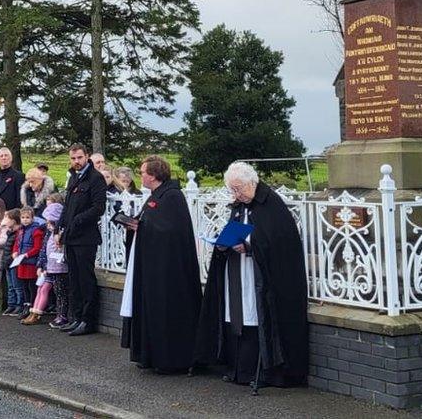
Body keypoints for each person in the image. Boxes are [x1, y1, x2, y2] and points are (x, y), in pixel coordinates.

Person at [194, 161, 309, 388]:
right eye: (232, 189)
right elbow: (234, 229)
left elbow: (279, 240)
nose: (236, 194)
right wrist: (223, 243)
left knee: (256, 317)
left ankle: (263, 371)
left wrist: (249, 246)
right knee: (236, 316)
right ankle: (237, 368)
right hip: (238, 272)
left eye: (239, 188)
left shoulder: (271, 204)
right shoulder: (239, 206)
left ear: (252, 182)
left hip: (260, 277)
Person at [120, 155, 201, 374]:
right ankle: (149, 355)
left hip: (168, 270)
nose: (141, 176)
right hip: (150, 265)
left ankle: (170, 360)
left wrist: (143, 227)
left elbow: (171, 230)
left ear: (154, 175)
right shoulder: (155, 195)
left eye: (143, 172)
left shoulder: (172, 196)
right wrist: (133, 223)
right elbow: (149, 220)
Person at [59, 143, 107, 336]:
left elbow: (98, 207)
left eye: (79, 158)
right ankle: (76, 317)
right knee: (74, 279)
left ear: (87, 156)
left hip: (85, 237)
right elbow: (68, 205)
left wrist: (78, 220)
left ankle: (88, 320)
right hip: (71, 236)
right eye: (73, 158)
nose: (76, 162)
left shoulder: (95, 179)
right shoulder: (74, 177)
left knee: (86, 279)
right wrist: (60, 226)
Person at [21, 202, 68, 327]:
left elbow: (60, 251)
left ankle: (59, 315)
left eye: (50, 222)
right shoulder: (48, 233)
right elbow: (43, 250)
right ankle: (34, 312)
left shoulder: (61, 233)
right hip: (48, 267)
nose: (48, 224)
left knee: (57, 292)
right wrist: (41, 265)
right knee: (40, 288)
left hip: (58, 267)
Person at [11, 206, 45, 319]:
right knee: (24, 285)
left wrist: (27, 254)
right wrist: (15, 252)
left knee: (31, 286)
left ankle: (32, 306)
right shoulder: (20, 231)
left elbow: (37, 247)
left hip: (30, 262)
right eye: (23, 217)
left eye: (27, 217)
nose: (25, 220)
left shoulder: (36, 230)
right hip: (21, 262)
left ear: (32, 218)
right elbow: (17, 244)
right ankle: (26, 305)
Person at [0, 209, 24, 315]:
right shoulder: (10, 232)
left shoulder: (18, 233)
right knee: (10, 286)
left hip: (13, 261)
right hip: (7, 262)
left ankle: (19, 305)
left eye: (8, 218)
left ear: (14, 220)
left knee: (16, 285)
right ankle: (11, 304)